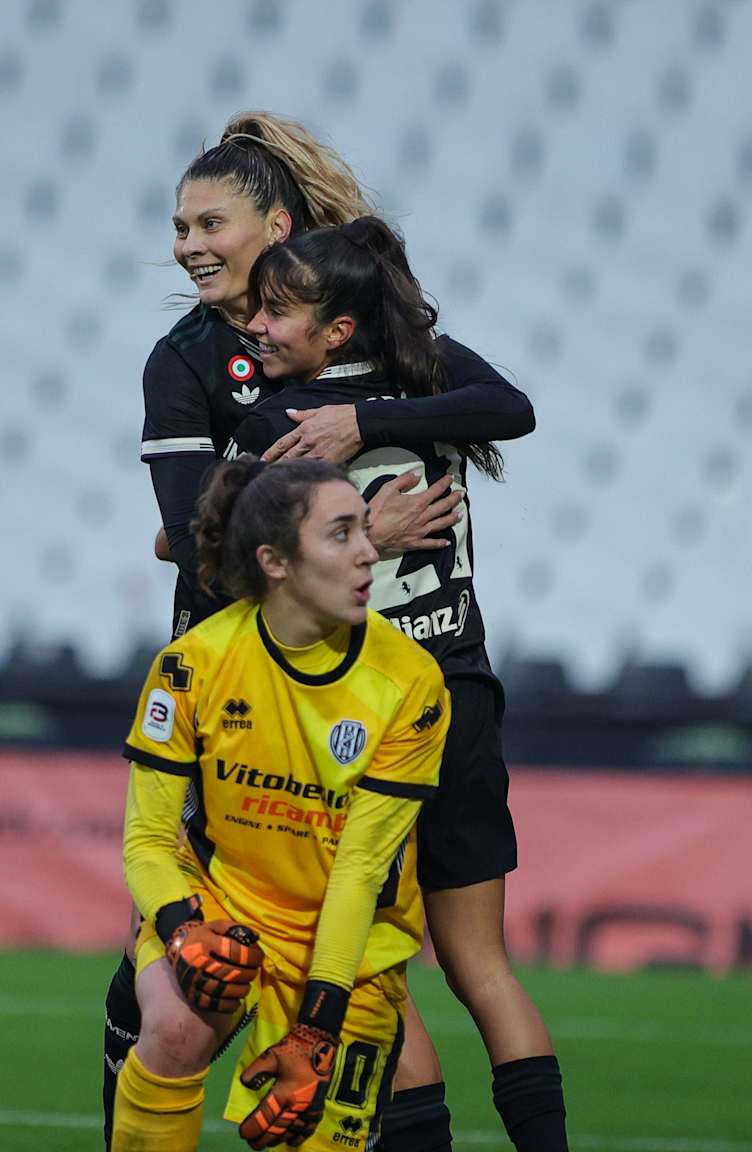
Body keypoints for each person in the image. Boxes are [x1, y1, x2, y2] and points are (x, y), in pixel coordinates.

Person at [105, 109, 538, 1150]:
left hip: (338, 699)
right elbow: (197, 536)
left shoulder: (352, 341)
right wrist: (364, 525)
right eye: (179, 226)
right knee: (179, 999)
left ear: (279, 225)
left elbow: (506, 406)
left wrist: (358, 434)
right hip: (270, 687)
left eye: (211, 221)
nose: (188, 245)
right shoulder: (194, 358)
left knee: (286, 990)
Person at [221, 216, 570, 1152]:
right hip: (458, 690)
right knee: (483, 966)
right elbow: (516, 409)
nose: (255, 324)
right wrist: (379, 427)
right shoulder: (434, 386)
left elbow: (227, 561)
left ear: (336, 330)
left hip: (354, 720)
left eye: (275, 308)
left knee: (382, 974)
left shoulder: (274, 428)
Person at [112, 456, 451, 1152]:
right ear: (275, 561)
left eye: (364, 531)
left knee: (308, 1133)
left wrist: (317, 1026)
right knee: (174, 1028)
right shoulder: (192, 664)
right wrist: (181, 929)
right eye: (341, 534)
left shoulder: (412, 683)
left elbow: (360, 869)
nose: (367, 553)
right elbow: (147, 841)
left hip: (345, 949)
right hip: (223, 906)